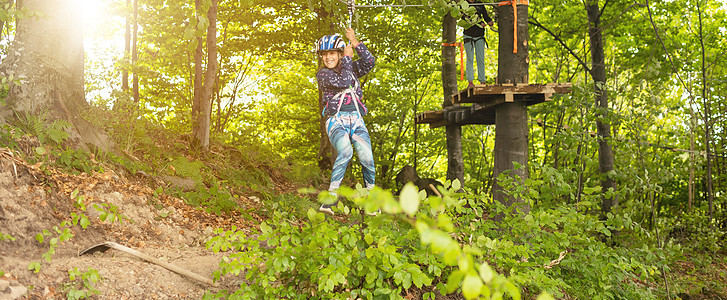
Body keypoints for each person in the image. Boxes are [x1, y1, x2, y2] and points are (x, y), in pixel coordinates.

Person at [315, 28, 376, 216]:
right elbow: (344, 82)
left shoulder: (350, 67)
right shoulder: (323, 74)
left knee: (367, 157)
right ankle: (329, 200)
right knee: (346, 151)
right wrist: (348, 59)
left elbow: (369, 62)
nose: (328, 58)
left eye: (332, 53)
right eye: (324, 54)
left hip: (356, 119)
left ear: (339, 54)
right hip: (336, 121)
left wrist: (355, 42)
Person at [462, 0, 494, 88]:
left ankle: (482, 81)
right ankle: (470, 81)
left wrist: (489, 21)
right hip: (468, 35)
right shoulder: (464, 4)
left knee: (480, 59)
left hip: (479, 35)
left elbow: (485, 16)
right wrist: (480, 23)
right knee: (470, 59)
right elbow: (465, 18)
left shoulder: (479, 4)